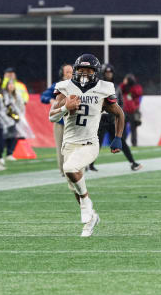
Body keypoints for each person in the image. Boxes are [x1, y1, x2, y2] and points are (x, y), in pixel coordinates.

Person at [49, 54, 125, 237]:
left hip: (89, 143)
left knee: (69, 168)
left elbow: (119, 114)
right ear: (75, 71)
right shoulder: (65, 88)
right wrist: (65, 108)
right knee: (74, 183)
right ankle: (91, 218)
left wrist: (118, 138)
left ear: (95, 73)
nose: (84, 74)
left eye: (88, 70)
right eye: (81, 70)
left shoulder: (102, 89)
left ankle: (86, 203)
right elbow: (52, 116)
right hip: (69, 144)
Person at [89, 63, 142, 172]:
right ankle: (89, 165)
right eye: (106, 72)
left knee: (120, 140)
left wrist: (118, 114)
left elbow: (121, 103)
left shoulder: (116, 87)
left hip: (112, 119)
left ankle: (132, 162)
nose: (109, 74)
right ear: (103, 73)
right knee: (96, 143)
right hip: (100, 119)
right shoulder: (97, 86)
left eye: (110, 72)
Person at [41, 63, 73, 176]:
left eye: (72, 71)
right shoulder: (58, 86)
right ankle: (63, 170)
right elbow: (43, 96)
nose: (71, 74)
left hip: (74, 122)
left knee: (74, 147)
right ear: (62, 74)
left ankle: (74, 167)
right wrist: (50, 100)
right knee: (60, 147)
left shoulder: (78, 86)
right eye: (68, 72)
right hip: (60, 122)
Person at [120, 73, 143, 146]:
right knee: (123, 129)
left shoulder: (136, 87)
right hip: (125, 111)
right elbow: (120, 89)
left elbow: (138, 92)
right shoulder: (124, 88)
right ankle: (123, 143)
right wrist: (125, 85)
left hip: (133, 111)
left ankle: (134, 143)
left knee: (133, 129)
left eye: (126, 79)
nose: (124, 81)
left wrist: (130, 87)